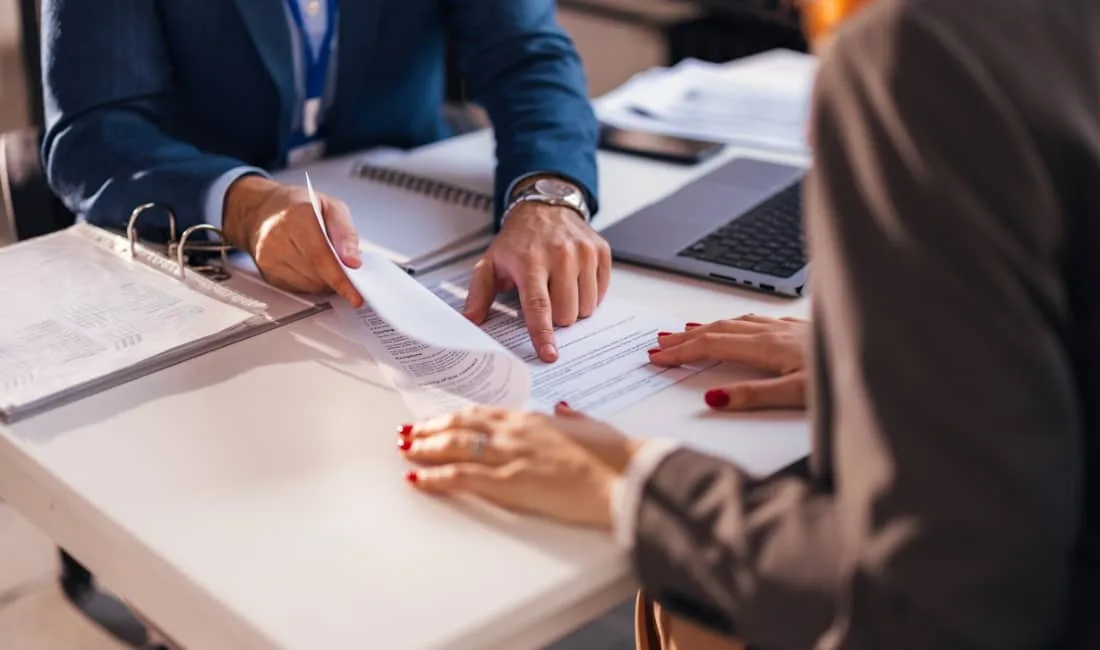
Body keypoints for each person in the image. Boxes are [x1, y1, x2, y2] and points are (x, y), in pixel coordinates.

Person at [397, 0, 1100, 648]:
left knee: (688, 612)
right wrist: (908, 363)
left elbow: (938, 610)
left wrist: (633, 482)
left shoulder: (919, 54)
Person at [40, 0, 608, 362]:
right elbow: (93, 130)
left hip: (416, 260)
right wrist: (245, 205)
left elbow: (529, 59)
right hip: (194, 268)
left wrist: (547, 197)